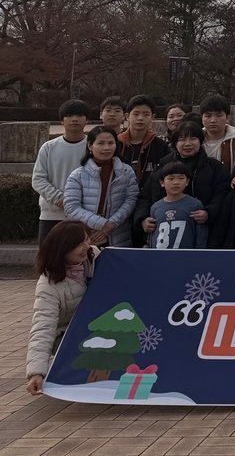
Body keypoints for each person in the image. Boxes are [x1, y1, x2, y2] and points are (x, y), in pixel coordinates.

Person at [25, 221, 97, 395]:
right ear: (61, 249)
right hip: (67, 333)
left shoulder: (97, 258)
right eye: (78, 244)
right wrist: (36, 373)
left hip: (101, 326)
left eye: (86, 240)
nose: (85, 247)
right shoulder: (48, 285)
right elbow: (43, 327)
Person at [136, 121, 227, 248]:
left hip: (203, 232)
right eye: (182, 139)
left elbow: (222, 195)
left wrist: (209, 213)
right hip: (165, 234)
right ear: (175, 143)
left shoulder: (213, 167)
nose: (187, 143)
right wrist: (143, 219)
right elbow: (146, 196)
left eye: (193, 138)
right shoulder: (164, 165)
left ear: (201, 141)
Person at [64, 126, 138, 248]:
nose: (106, 148)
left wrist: (111, 224)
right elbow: (71, 208)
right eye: (100, 143)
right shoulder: (78, 175)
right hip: (87, 237)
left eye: (111, 143)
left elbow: (131, 200)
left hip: (118, 236)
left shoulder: (127, 171)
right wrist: (101, 224)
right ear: (90, 146)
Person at [32, 99, 90, 242]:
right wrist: (59, 198)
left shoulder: (93, 146)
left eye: (79, 115)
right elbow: (38, 179)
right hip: (52, 215)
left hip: (85, 214)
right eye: (69, 115)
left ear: (87, 120)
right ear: (61, 121)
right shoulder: (48, 147)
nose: (74, 119)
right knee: (49, 254)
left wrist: (76, 203)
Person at [147, 161, 209, 249]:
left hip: (186, 255)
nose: (176, 182)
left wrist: (199, 253)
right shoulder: (155, 207)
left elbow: (201, 235)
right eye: (171, 179)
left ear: (187, 181)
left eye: (181, 178)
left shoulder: (194, 205)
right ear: (162, 182)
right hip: (160, 255)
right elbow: (152, 236)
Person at [118, 94, 169, 184]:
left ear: (152, 117)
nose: (140, 118)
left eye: (146, 114)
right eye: (136, 114)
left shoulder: (161, 146)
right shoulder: (116, 143)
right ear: (127, 116)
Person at [198, 95, 235, 173]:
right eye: (208, 116)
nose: (213, 120)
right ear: (202, 118)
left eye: (219, 115)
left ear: (227, 118)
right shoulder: (196, 141)